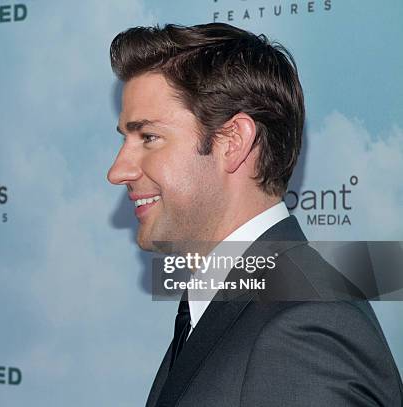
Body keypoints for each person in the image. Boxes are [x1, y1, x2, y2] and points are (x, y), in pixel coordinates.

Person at [107, 23, 403, 406]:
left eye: (148, 137)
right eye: (125, 139)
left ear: (233, 142)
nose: (118, 171)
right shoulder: (224, 311)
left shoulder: (302, 329)